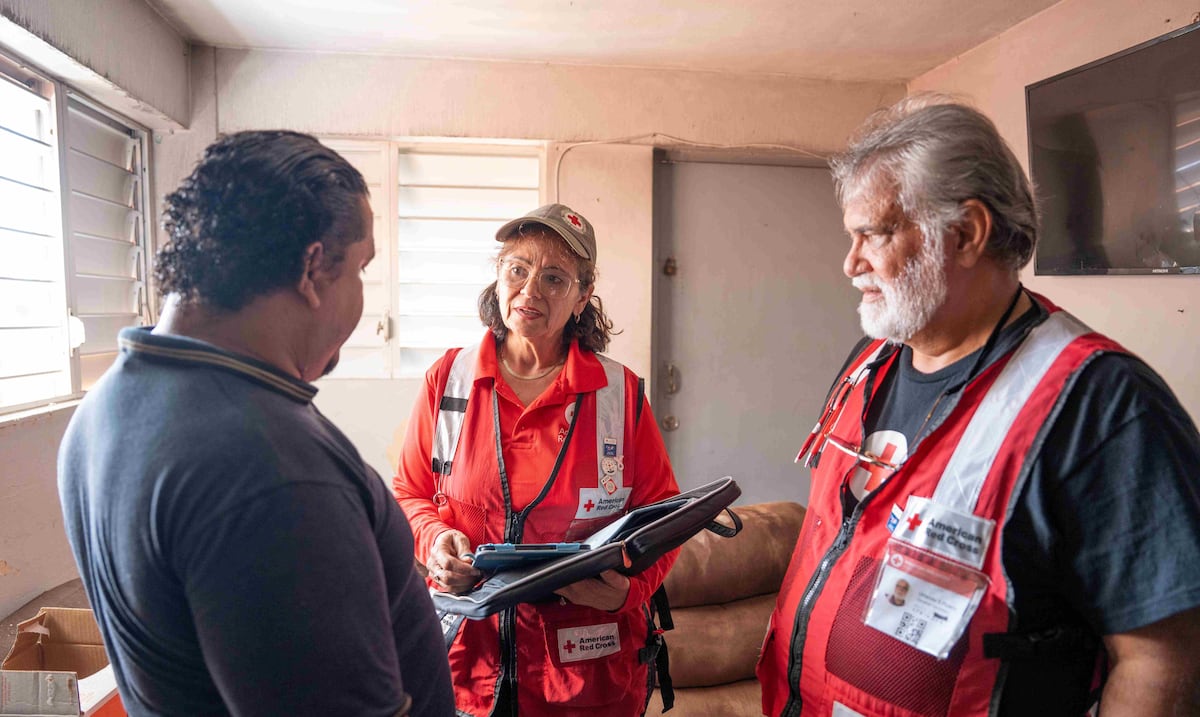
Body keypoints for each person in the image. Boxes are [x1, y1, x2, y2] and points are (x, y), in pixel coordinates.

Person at [757, 95, 1200, 717]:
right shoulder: (870, 359)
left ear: (964, 234)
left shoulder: (1104, 404)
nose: (850, 263)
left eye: (873, 235)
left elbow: (1166, 658)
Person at [58, 131, 454, 716]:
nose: (361, 298)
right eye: (361, 269)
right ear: (313, 268)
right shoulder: (270, 473)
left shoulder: (106, 408)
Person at [393, 203, 680, 716]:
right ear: (498, 278)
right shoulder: (450, 380)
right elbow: (409, 493)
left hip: (587, 677)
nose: (530, 291)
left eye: (553, 278)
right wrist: (436, 543)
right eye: (517, 270)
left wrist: (627, 593)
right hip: (468, 664)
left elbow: (665, 517)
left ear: (582, 297)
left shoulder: (619, 393)